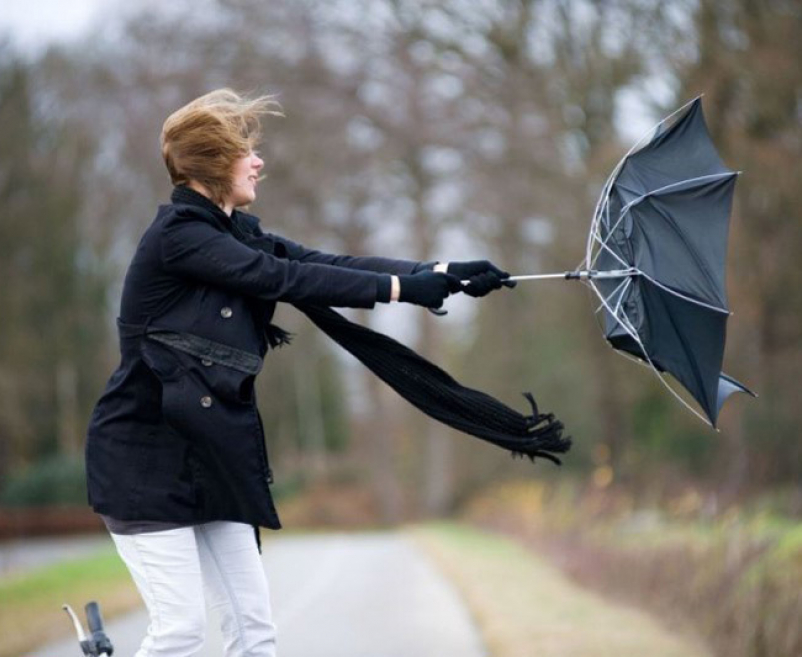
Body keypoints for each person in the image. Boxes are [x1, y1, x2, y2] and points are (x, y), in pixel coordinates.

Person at [84, 88, 514, 657]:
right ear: (214, 163)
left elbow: (320, 264)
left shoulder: (236, 231)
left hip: (213, 457)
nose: (258, 161)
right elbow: (280, 280)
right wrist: (401, 288)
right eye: (245, 151)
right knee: (181, 633)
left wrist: (439, 272)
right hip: (145, 461)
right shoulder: (180, 238)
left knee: (254, 632)